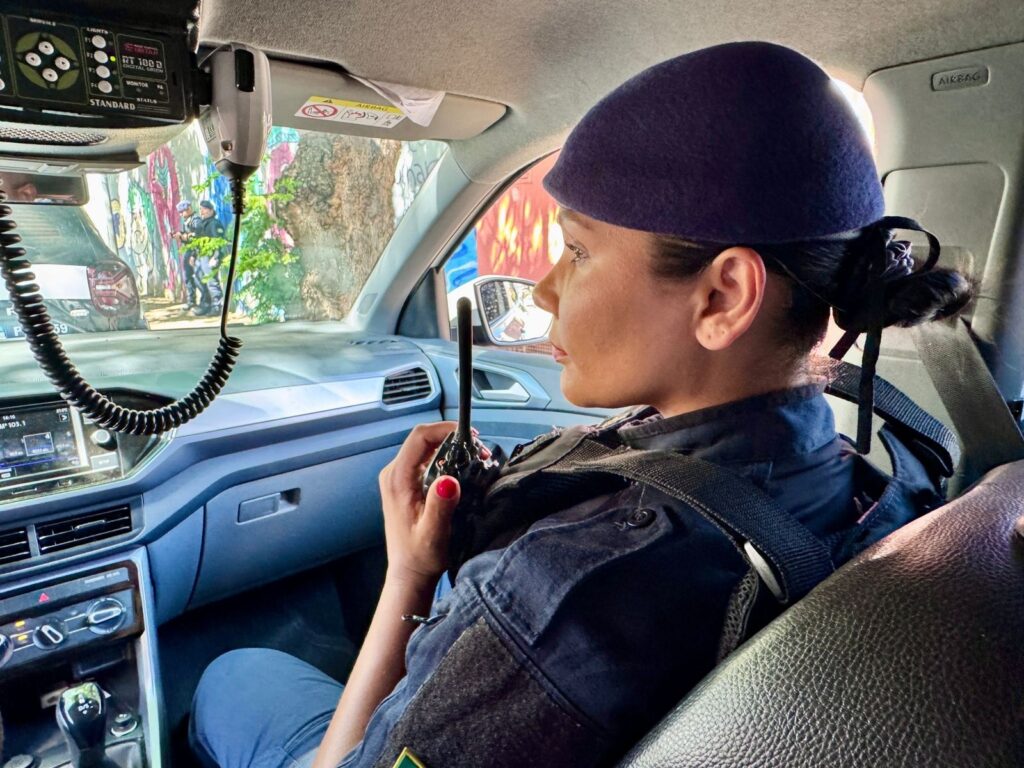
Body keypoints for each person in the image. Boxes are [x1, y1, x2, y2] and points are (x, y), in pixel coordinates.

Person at [189, 42, 973, 768]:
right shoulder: (891, 474)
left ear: (722, 295)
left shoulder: (566, 595)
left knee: (234, 674)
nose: (543, 288)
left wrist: (409, 577)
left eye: (578, 249)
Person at [188, 200, 227, 316]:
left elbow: (219, 242)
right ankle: (205, 304)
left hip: (209, 256)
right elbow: (198, 241)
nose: (202, 211)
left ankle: (217, 306)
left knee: (211, 281)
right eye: (200, 209)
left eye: (204, 209)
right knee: (199, 279)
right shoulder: (202, 224)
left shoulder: (214, 223)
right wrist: (193, 255)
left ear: (211, 210)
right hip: (201, 256)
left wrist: (215, 257)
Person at [172, 200, 201, 310]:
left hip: (195, 252)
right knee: (188, 277)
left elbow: (196, 236)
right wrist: (179, 235)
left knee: (198, 277)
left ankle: (202, 302)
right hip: (189, 251)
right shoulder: (187, 220)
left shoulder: (196, 220)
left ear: (188, 209)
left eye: (182, 212)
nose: (180, 215)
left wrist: (184, 237)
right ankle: (191, 300)